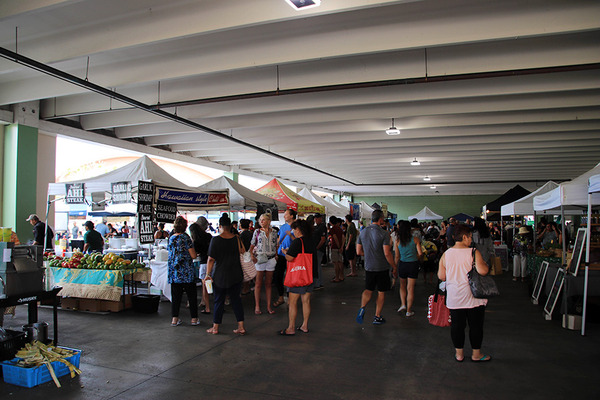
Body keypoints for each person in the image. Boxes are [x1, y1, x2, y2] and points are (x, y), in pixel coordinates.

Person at [438, 224, 491, 362]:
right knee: (476, 326)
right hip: (474, 296)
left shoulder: (446, 254)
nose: (471, 240)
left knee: (457, 326)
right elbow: (483, 271)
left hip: (455, 296)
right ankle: (476, 354)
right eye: (470, 237)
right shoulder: (473, 252)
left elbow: (441, 276)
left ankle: (459, 354)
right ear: (465, 237)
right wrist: (485, 265)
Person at [205, 214, 246, 335]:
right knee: (236, 300)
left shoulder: (216, 240)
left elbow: (211, 259)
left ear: (220, 226)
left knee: (218, 301)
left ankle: (215, 328)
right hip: (236, 274)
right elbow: (243, 251)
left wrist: (208, 274)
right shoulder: (236, 238)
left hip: (221, 275)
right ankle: (241, 326)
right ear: (229, 226)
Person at [355, 210, 397, 325]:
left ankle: (362, 307)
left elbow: (358, 251)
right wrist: (393, 266)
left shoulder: (362, 232)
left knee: (368, 289)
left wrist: (368, 254)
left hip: (369, 266)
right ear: (381, 219)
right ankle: (377, 316)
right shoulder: (384, 233)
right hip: (382, 267)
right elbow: (387, 253)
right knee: (381, 292)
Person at [278, 219, 318, 335]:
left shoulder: (297, 242)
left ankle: (291, 328)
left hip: (299, 276)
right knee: (306, 301)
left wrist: (285, 253)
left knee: (293, 301)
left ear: (299, 230)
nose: (293, 231)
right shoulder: (311, 241)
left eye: (294, 229)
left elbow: (290, 258)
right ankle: (304, 325)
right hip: (310, 275)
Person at [167, 216, 199, 327]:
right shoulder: (186, 238)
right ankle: (194, 319)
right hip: (186, 272)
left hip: (174, 272)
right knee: (191, 296)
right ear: (185, 227)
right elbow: (193, 255)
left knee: (176, 297)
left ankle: (174, 319)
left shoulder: (171, 238)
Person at [249, 213, 278, 315]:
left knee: (268, 284)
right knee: (258, 283)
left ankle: (268, 306)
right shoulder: (257, 232)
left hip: (270, 259)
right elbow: (252, 246)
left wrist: (276, 254)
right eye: (260, 220)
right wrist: (252, 256)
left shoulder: (274, 232)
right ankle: (257, 306)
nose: (261, 221)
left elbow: (276, 244)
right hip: (260, 259)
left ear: (269, 221)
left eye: (264, 219)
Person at [395, 220, 423, 317]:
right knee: (410, 288)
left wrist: (394, 267)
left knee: (402, 286)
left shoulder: (398, 241)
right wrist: (417, 258)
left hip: (402, 265)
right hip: (413, 265)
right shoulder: (415, 239)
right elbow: (420, 253)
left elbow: (397, 257)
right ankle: (409, 310)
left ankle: (403, 304)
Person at [274, 209, 297, 308]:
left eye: (286, 214)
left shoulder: (297, 227)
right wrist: (276, 252)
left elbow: (299, 241)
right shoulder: (283, 227)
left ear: (292, 216)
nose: (284, 216)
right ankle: (281, 297)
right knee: (277, 276)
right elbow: (278, 241)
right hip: (281, 255)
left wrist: (291, 236)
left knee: (290, 277)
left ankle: (290, 298)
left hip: (292, 256)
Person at [189, 217, 213, 313]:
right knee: (209, 285)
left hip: (204, 263)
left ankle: (207, 307)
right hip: (213, 262)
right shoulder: (209, 236)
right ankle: (206, 302)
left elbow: (195, 254)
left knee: (205, 285)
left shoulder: (196, 241)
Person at [313, 213, 327, 289]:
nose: (316, 219)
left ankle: (317, 284)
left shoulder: (322, 227)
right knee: (317, 266)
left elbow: (323, 240)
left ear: (320, 218)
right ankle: (319, 283)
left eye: (317, 218)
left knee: (317, 266)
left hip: (319, 250)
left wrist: (317, 248)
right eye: (315, 218)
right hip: (317, 249)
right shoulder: (316, 227)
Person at [329, 216, 345, 282]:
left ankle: (337, 278)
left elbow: (335, 238)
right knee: (340, 262)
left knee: (336, 263)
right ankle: (341, 276)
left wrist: (338, 247)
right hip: (340, 247)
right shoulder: (340, 228)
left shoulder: (332, 229)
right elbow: (343, 238)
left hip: (335, 247)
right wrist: (341, 247)